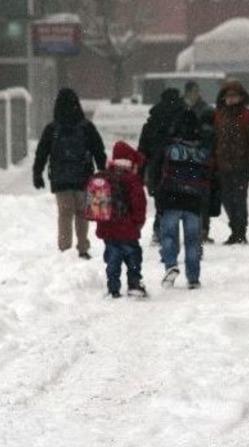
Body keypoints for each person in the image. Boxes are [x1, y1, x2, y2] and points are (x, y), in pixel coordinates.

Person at [33, 88, 107, 259]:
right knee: (82, 212)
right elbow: (98, 149)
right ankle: (82, 248)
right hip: (83, 176)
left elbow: (42, 152)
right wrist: (102, 170)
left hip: (61, 179)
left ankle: (65, 249)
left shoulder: (52, 128)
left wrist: (37, 173)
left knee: (65, 214)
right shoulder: (86, 127)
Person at [156, 111, 213, 290]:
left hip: (171, 198)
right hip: (193, 201)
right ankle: (193, 277)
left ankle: (171, 264)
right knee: (193, 241)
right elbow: (209, 177)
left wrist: (157, 195)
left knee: (169, 237)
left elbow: (157, 172)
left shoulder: (169, 148)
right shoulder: (202, 151)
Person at [213, 80, 249, 245]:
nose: (231, 99)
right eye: (228, 96)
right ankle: (235, 229)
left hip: (242, 166)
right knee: (227, 199)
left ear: (241, 97)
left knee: (239, 199)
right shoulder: (218, 116)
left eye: (234, 96)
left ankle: (240, 231)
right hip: (223, 166)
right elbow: (214, 140)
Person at [95, 141, 148, 299]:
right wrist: (138, 222)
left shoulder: (104, 178)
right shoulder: (132, 180)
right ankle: (134, 284)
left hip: (108, 229)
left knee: (112, 258)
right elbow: (139, 203)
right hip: (128, 229)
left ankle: (113, 288)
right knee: (133, 257)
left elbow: (99, 204)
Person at [138, 88, 186, 245]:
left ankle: (159, 231)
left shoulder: (152, 122)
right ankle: (176, 232)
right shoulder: (184, 119)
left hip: (157, 167)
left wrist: (140, 173)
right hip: (180, 165)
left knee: (161, 201)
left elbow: (142, 151)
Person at [184, 81, 217, 244]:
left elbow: (211, 136)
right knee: (198, 197)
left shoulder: (204, 111)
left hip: (200, 159)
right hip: (195, 159)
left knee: (201, 197)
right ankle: (199, 229)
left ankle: (202, 229)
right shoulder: (192, 110)